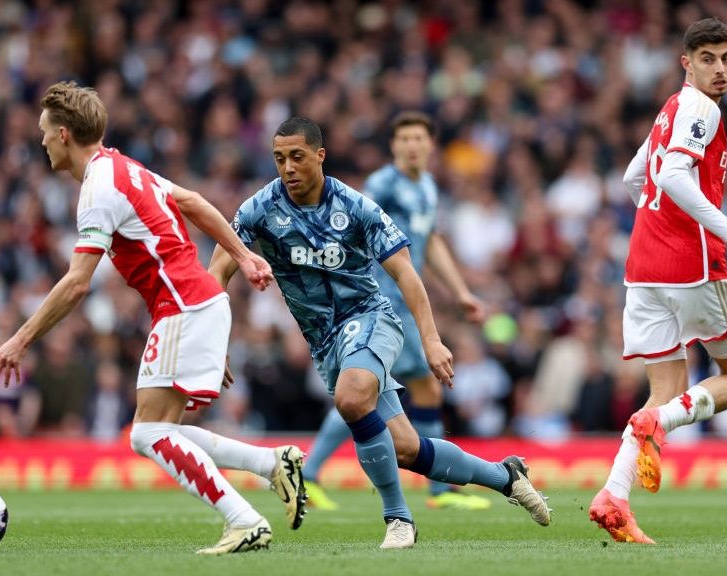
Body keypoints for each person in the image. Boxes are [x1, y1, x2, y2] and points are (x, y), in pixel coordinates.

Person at [0, 81, 307, 555]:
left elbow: (78, 282)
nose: (39, 141)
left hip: (185, 306)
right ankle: (272, 463)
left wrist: (20, 339)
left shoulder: (98, 188)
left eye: (42, 131)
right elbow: (194, 202)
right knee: (165, 429)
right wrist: (241, 258)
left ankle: (244, 519)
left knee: (147, 433)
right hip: (194, 303)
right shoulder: (124, 168)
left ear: (62, 134)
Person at [209, 117, 550, 550]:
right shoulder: (259, 209)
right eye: (279, 159)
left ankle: (398, 518)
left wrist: (430, 339)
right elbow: (218, 269)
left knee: (352, 397)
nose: (288, 168)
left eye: (297, 156)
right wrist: (212, 340)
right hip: (325, 342)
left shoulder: (356, 206)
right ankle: (506, 477)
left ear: (319, 155)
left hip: (372, 318)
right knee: (406, 448)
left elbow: (406, 271)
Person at [588, 18, 727, 544]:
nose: (720, 69)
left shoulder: (669, 108)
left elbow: (633, 177)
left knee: (663, 394)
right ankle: (662, 425)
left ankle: (614, 498)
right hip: (691, 264)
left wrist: (658, 220)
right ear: (686, 62)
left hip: (643, 267)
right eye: (708, 58)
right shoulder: (701, 108)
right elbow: (668, 176)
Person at [301, 111, 491, 512]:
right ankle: (312, 474)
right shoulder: (382, 186)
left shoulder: (426, 186)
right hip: (380, 305)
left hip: (405, 306)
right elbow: (348, 231)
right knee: (372, 390)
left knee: (413, 388)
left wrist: (460, 291)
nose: (412, 145)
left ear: (430, 145)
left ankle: (437, 490)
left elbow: (431, 240)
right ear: (393, 146)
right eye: (404, 138)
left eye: (419, 138)